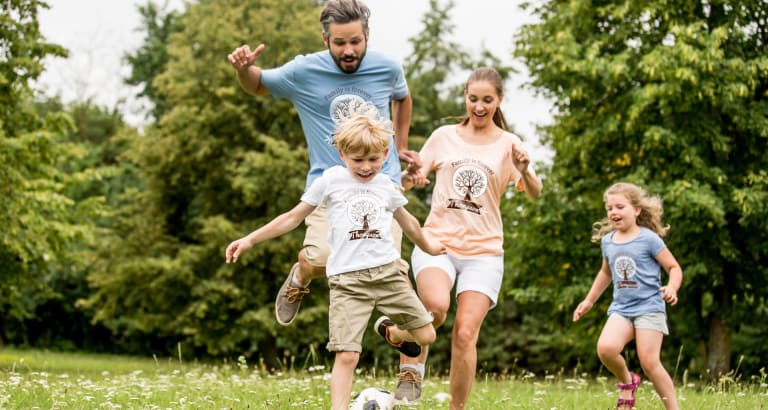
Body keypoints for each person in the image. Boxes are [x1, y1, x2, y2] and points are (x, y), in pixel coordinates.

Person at [225, 107, 444, 410]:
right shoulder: (331, 181)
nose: (366, 167)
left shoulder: (385, 186)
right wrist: (250, 239)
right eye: (357, 160)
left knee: (427, 334)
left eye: (373, 159)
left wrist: (431, 247)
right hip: (348, 282)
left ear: (385, 153)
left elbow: (410, 224)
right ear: (342, 153)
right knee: (347, 354)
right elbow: (292, 217)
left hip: (388, 276)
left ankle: (391, 332)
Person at [227, 0, 420, 327]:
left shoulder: (387, 67)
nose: (348, 50)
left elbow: (402, 96)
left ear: (367, 36)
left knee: (394, 271)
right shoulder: (304, 72)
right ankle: (301, 274)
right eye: (339, 42)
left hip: (382, 182)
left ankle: (409, 371)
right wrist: (244, 69)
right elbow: (257, 84)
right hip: (329, 186)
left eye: (355, 41)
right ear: (324, 39)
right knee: (321, 259)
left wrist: (400, 146)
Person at [399, 67, 542, 408]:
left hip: (485, 252)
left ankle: (456, 407)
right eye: (473, 99)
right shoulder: (444, 135)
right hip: (437, 241)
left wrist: (523, 170)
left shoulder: (510, 145)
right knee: (434, 308)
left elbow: (535, 193)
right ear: (465, 97)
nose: (479, 107)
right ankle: (411, 369)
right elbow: (407, 181)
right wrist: (412, 175)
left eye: (487, 100)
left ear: (499, 100)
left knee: (465, 333)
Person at [572, 182, 682, 410]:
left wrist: (672, 287)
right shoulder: (608, 241)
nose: (614, 212)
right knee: (606, 349)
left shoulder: (649, 239)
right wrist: (589, 300)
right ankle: (627, 381)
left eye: (620, 206)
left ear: (637, 210)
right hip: (621, 308)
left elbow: (674, 267)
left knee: (650, 362)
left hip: (649, 306)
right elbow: (605, 273)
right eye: (610, 208)